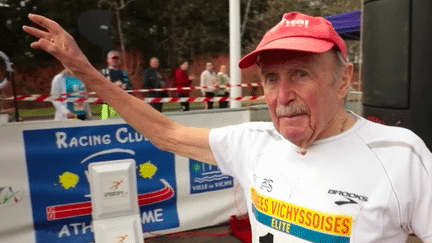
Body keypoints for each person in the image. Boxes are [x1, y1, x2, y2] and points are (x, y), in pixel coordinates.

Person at [24, 11, 432, 242]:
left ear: (344, 80)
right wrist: (84, 71)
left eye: (301, 74)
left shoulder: (400, 154)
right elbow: (163, 132)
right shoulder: (253, 143)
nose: (283, 95)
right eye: (271, 79)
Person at [100, 50, 132, 119]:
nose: (115, 60)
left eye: (117, 58)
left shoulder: (124, 74)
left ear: (120, 60)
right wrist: (113, 86)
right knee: (105, 127)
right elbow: (98, 87)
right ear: (108, 60)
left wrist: (124, 86)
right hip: (107, 107)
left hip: (123, 106)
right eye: (113, 58)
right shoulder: (103, 73)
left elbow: (130, 87)